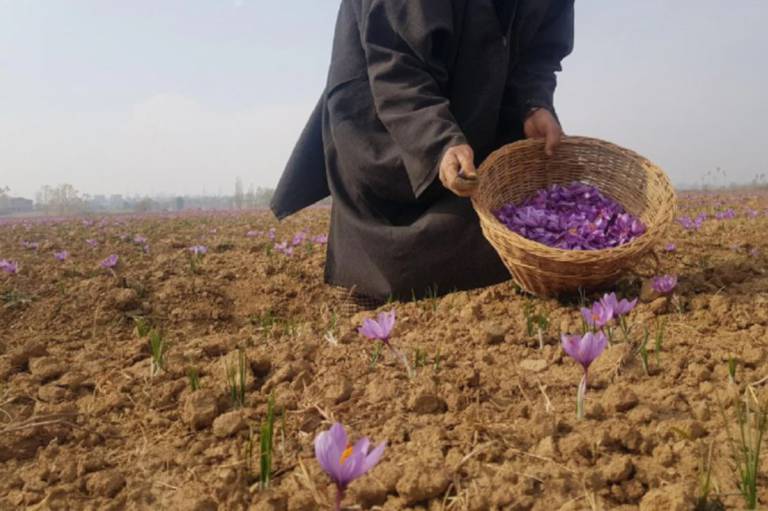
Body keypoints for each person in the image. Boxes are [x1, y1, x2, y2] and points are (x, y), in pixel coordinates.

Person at [271, 0, 574, 307]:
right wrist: (438, 140)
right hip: (386, 97)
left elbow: (541, 50)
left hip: (480, 93)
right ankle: (368, 281)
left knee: (515, 212)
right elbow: (396, 64)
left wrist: (533, 103)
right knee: (393, 230)